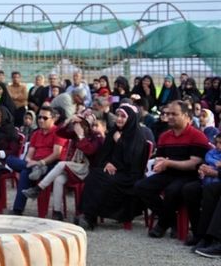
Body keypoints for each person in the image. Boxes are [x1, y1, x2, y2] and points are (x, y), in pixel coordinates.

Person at [134, 100, 209, 238]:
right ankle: (171, 220)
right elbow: (161, 159)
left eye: (174, 114)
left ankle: (162, 224)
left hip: (189, 175)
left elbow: (194, 164)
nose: (169, 117)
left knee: (172, 191)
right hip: (168, 173)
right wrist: (159, 164)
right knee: (141, 187)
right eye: (167, 114)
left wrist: (168, 163)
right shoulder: (164, 136)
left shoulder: (197, 135)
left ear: (187, 116)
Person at [22, 114, 105, 221]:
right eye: (76, 124)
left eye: (79, 124)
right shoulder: (75, 134)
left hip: (86, 170)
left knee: (62, 164)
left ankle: (38, 189)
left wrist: (81, 137)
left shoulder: (96, 137)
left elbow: (90, 150)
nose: (76, 126)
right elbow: (59, 132)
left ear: (86, 125)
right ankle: (57, 212)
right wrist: (68, 120)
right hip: (73, 169)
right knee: (58, 179)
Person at [78, 103, 147, 230]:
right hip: (114, 170)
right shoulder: (114, 132)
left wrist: (120, 142)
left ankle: (89, 216)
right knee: (94, 174)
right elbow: (103, 155)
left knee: (100, 179)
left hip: (129, 176)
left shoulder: (137, 136)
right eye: (118, 115)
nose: (119, 119)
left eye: (123, 117)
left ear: (131, 119)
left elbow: (132, 161)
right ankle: (88, 215)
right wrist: (107, 163)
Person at [6, 106, 66, 216]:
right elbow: (29, 155)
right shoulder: (36, 133)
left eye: (45, 118)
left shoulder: (58, 132)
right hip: (35, 165)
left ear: (53, 119)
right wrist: (31, 162)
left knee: (24, 172)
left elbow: (57, 154)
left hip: (50, 165)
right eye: (39, 117)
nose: (41, 120)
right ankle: (35, 169)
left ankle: (17, 210)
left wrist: (41, 162)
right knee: (10, 159)